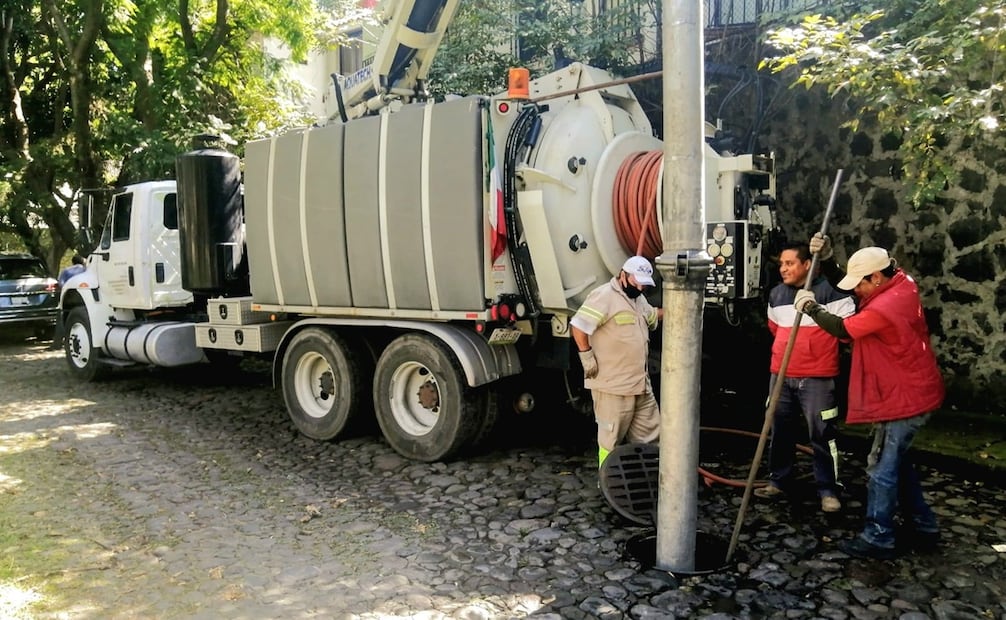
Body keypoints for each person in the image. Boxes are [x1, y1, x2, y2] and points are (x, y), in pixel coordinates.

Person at [795, 236, 944, 560]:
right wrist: (831, 260)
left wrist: (811, 307)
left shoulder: (885, 306)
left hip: (905, 398)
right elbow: (853, 288)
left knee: (881, 467)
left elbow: (844, 328)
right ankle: (924, 525)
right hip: (912, 390)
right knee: (898, 463)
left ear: (876, 278)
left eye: (860, 284)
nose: (855, 291)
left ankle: (879, 536)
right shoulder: (901, 282)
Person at [754, 242, 855, 513]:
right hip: (781, 374)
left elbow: (846, 333)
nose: (783, 269)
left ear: (807, 264)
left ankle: (828, 489)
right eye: (782, 264)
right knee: (779, 430)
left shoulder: (833, 293)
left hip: (818, 378)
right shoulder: (776, 294)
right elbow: (776, 329)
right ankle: (779, 480)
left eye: (790, 264)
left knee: (822, 433)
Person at [570, 256, 663, 467]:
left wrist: (680, 308)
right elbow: (578, 326)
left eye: (644, 284)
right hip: (613, 388)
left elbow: (651, 316)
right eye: (636, 281)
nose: (640, 286)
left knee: (652, 438)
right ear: (623, 275)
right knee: (609, 441)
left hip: (640, 385)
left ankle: (650, 480)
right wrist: (587, 357)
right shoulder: (604, 296)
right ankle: (607, 482)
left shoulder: (637, 299)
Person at [51, 254, 86, 349]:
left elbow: (61, 284)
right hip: (84, 297)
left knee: (62, 318)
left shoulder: (66, 271)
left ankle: (57, 343)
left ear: (73, 262)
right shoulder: (86, 270)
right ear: (82, 261)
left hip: (69, 298)